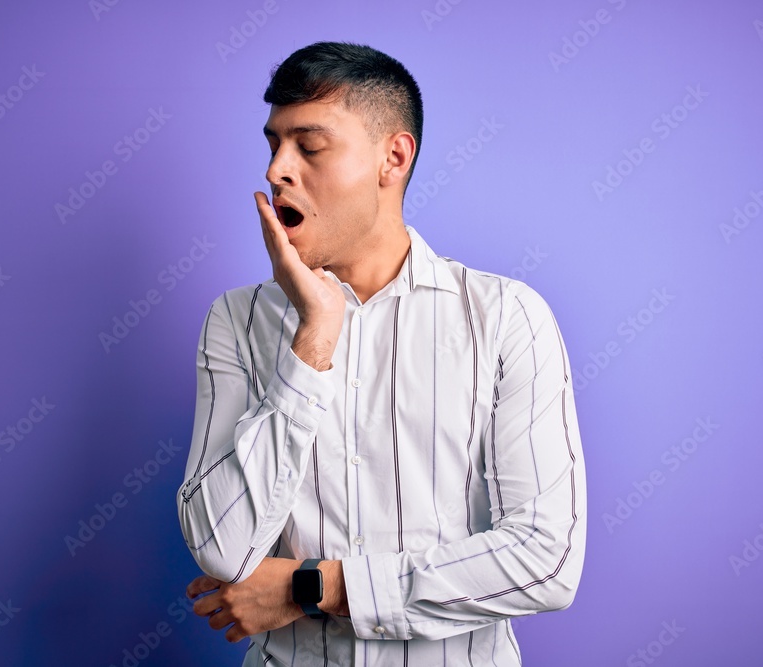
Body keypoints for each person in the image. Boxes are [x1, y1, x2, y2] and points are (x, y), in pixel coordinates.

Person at [176, 40, 587, 666]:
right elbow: (221, 549)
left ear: (392, 158)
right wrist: (314, 338)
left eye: (309, 146)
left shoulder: (507, 318)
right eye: (274, 145)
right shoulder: (236, 321)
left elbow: (545, 559)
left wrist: (314, 586)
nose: (276, 170)